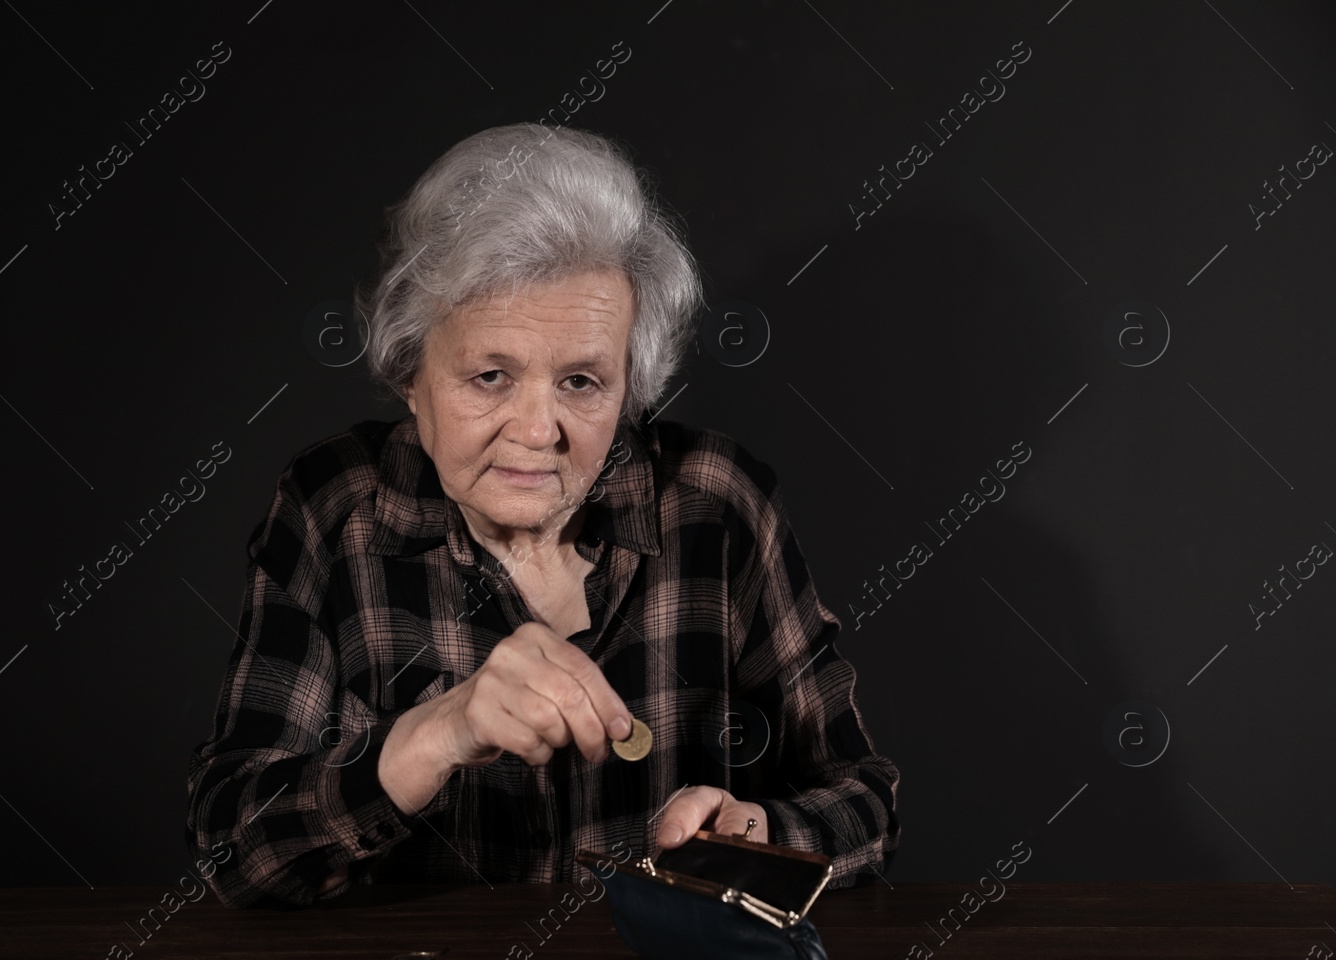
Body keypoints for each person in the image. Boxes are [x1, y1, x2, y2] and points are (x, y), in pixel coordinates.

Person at [185, 123, 899, 908]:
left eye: (583, 382)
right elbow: (231, 850)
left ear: (630, 384)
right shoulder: (335, 509)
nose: (537, 431)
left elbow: (864, 800)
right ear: (409, 371)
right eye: (491, 375)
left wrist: (757, 835)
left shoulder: (717, 502)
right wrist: (436, 734)